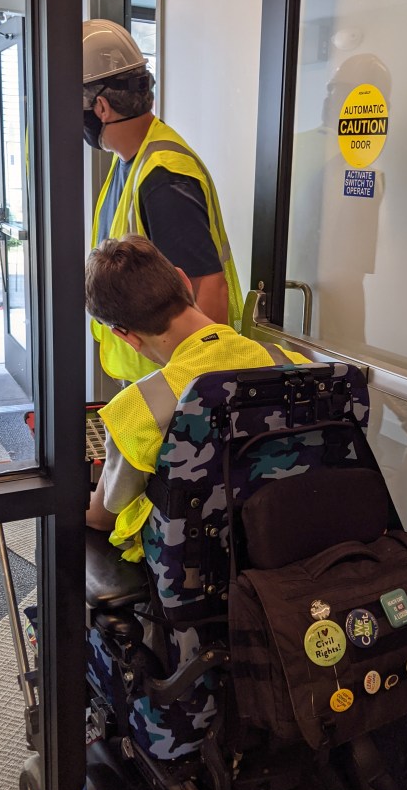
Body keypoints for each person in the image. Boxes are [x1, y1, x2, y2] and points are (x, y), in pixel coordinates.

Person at [84, 235, 308, 561]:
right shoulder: (293, 365)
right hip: (291, 546)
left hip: (195, 569)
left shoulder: (136, 409)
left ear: (124, 335)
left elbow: (104, 516)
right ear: (184, 281)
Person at [82, 18, 244, 383]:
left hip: (172, 382)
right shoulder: (131, 160)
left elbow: (208, 286)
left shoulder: (163, 177)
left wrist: (198, 394)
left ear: (102, 107)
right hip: (152, 370)